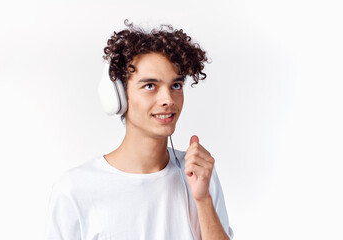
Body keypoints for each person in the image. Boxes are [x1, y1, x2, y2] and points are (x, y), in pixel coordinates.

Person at [44, 19, 234, 240]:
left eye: (176, 86)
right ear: (119, 97)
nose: (168, 99)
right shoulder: (74, 189)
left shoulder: (199, 174)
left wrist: (203, 200)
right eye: (150, 86)